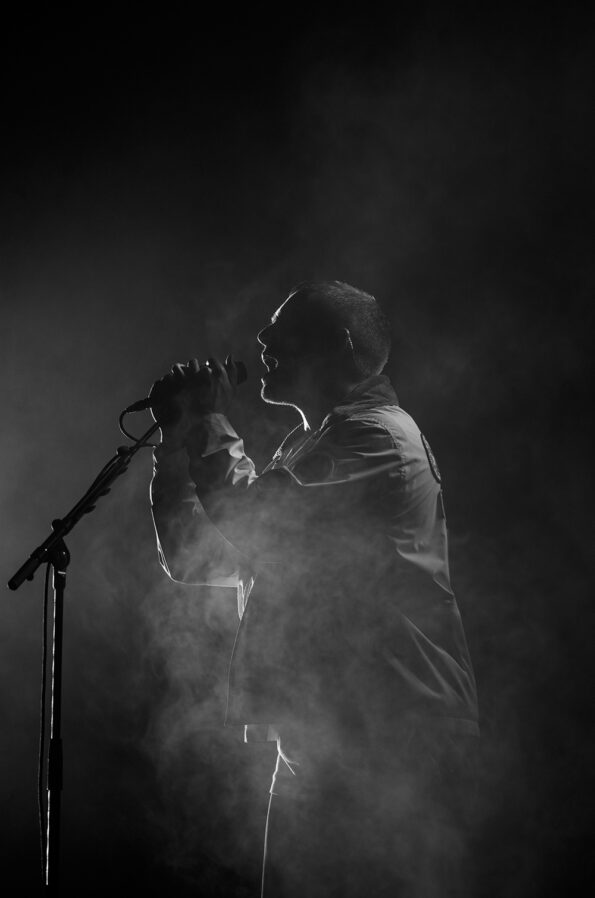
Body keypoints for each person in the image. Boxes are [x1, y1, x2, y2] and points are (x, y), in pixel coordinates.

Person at [149, 281, 479, 897]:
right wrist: (176, 439)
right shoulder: (307, 448)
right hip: (326, 732)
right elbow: (195, 557)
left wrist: (212, 420)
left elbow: (254, 522)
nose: (262, 339)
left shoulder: (378, 438)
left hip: (393, 731)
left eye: (283, 329)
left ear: (341, 345)